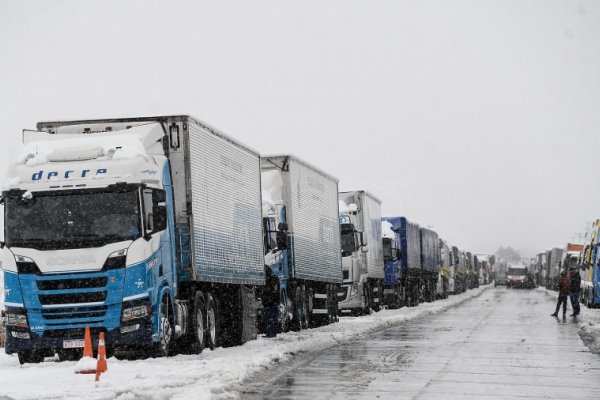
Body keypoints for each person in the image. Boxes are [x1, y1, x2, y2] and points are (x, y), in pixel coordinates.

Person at [262, 266, 280, 338]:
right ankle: (272, 333)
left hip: (269, 302)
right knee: (273, 318)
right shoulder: (275, 278)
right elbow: (276, 290)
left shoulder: (268, 279)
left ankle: (270, 333)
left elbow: (269, 290)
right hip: (274, 301)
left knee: (269, 318)